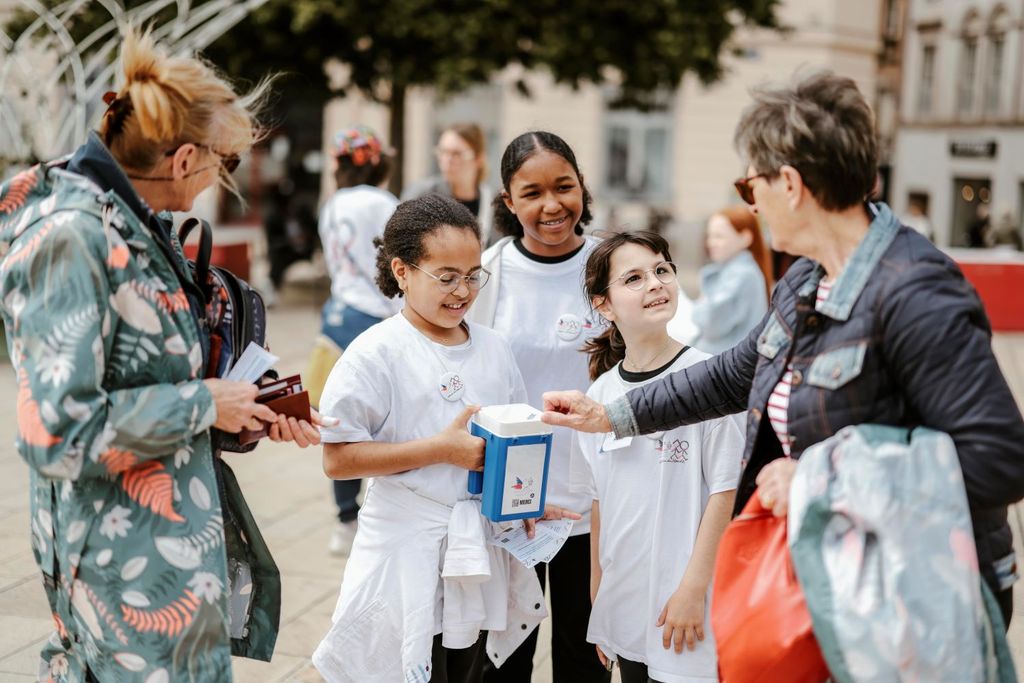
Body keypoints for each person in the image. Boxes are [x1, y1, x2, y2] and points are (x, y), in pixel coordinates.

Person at [540, 71, 1024, 630]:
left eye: (751, 188)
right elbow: (730, 376)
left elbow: (998, 459)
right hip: (844, 578)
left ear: (790, 184)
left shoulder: (916, 292)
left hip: (923, 595)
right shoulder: (806, 280)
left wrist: (823, 481)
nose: (751, 204)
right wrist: (611, 415)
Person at [0, 28, 324, 682]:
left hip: (162, 557)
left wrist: (238, 410)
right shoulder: (73, 236)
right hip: (120, 567)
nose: (216, 180)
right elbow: (57, 432)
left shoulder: (135, 221)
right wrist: (205, 402)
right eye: (219, 163)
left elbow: (151, 376)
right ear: (181, 160)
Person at [313, 194, 579, 682]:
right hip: (405, 547)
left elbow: (511, 440)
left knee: (463, 667)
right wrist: (440, 450)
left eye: (474, 275)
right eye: (447, 277)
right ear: (402, 271)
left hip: (474, 549)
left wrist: (526, 502)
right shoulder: (375, 353)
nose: (463, 291)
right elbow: (338, 459)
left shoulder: (494, 349)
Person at [467, 131, 610, 683]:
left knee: (585, 655)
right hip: (510, 500)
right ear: (508, 202)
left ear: (581, 188)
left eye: (564, 187)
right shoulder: (489, 274)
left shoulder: (613, 265)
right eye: (532, 193)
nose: (551, 205)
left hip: (591, 499)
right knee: (502, 658)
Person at [571, 231, 743, 682]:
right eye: (633, 278)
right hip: (625, 601)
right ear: (603, 305)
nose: (654, 283)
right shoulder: (601, 395)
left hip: (685, 604)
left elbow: (724, 493)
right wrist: (598, 587)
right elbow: (598, 501)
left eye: (661, 270)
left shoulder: (708, 380)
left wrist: (693, 589)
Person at [312, 125, 399, 557]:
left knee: (341, 425)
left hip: (335, 318)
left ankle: (343, 518)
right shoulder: (382, 202)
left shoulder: (331, 206)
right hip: (376, 319)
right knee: (386, 424)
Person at [691, 206, 772, 353]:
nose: (711, 243)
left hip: (724, 368)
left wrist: (700, 305)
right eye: (709, 236)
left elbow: (711, 322)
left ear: (745, 238)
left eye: (719, 236)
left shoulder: (741, 274)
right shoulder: (735, 271)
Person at [402, 123, 495, 244]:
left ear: (479, 158)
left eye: (457, 154)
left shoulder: (492, 202)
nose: (447, 160)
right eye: (443, 152)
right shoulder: (420, 194)